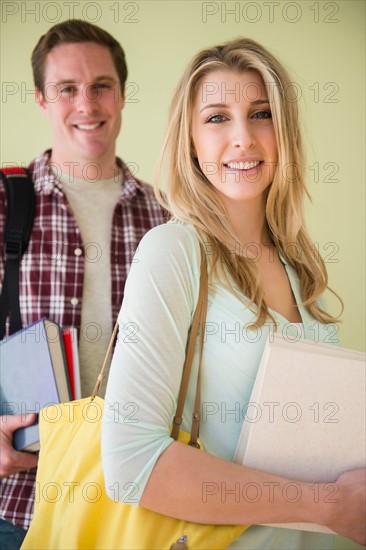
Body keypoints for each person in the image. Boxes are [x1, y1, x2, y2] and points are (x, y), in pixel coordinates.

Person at [102, 38, 366, 549]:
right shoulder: (173, 250)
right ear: (191, 142)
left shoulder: (298, 265)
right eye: (218, 118)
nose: (243, 138)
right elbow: (130, 461)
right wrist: (330, 505)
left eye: (261, 114)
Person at [0, 19, 165, 548]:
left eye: (101, 87)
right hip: (18, 500)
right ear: (41, 100)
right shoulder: (6, 201)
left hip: (133, 500)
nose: (86, 104)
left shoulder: (169, 218)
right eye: (66, 88)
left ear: (120, 95)